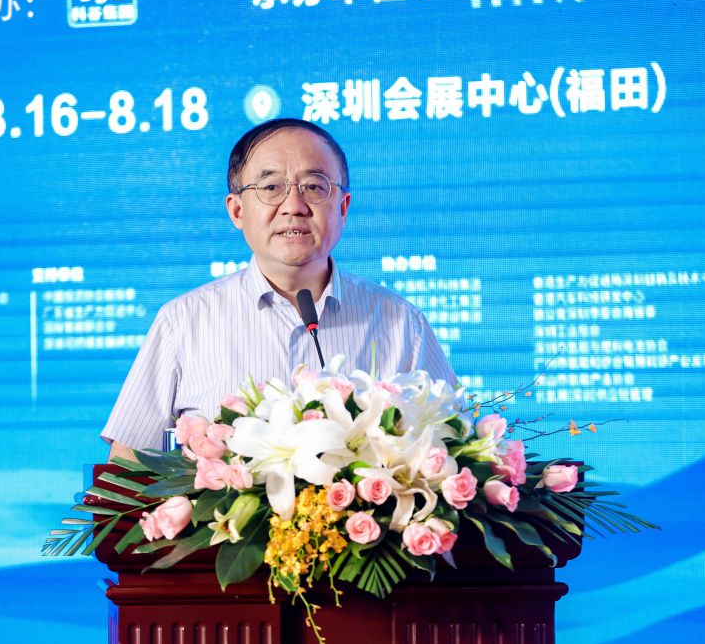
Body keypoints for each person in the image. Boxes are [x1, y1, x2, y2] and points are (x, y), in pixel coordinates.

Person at [102, 118, 456, 458]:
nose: (294, 207)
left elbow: (457, 450)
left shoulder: (401, 323)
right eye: (271, 188)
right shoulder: (182, 322)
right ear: (237, 210)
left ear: (343, 207)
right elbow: (125, 469)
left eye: (314, 187)